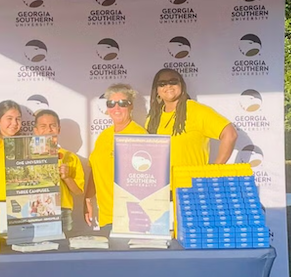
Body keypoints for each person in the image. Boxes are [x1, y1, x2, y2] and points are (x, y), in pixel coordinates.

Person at [145, 68, 237, 173]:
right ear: (157, 90)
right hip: (160, 182)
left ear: (182, 85)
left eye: (173, 81)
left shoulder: (197, 111)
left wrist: (214, 170)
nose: (168, 86)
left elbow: (230, 134)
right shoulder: (152, 119)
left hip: (191, 182)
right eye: (162, 83)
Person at [84, 84, 147, 235]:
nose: (116, 108)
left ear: (131, 106)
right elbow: (95, 170)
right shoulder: (104, 136)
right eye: (111, 103)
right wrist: (87, 198)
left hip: (129, 219)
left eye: (123, 103)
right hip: (106, 217)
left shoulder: (140, 135)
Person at [33, 108, 85, 235]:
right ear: (36, 130)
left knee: (63, 246)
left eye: (52, 126)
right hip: (33, 210)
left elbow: (78, 191)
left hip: (62, 210)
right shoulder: (27, 157)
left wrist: (67, 177)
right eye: (43, 126)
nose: (48, 130)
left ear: (59, 129)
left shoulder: (70, 157)